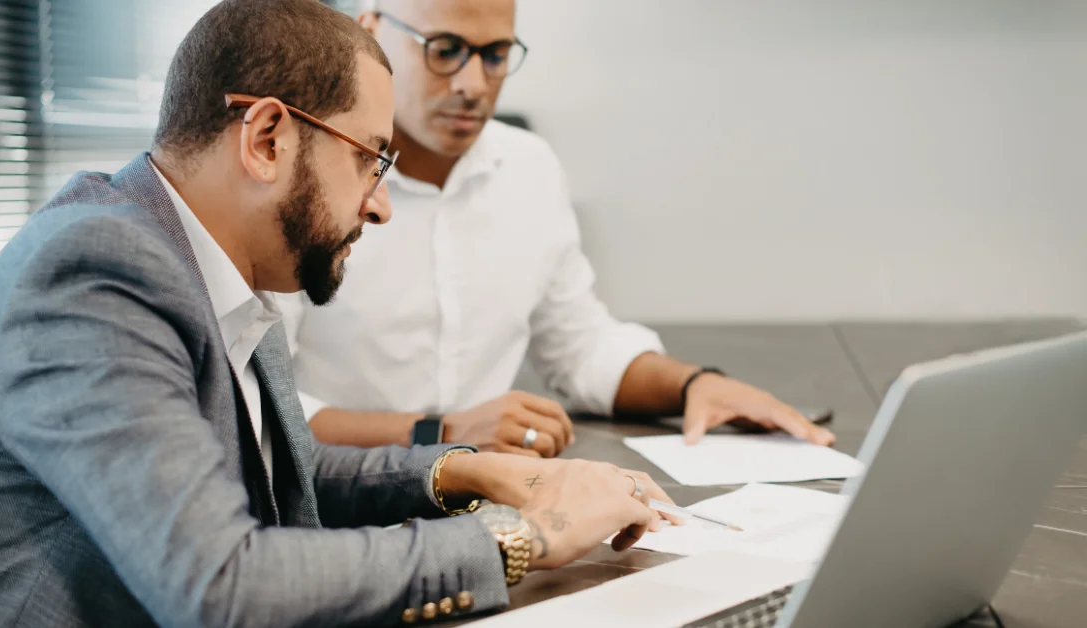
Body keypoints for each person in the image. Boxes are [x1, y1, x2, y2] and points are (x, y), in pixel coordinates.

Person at [0, 2, 677, 626]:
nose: (380, 205)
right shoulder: (94, 273)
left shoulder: (220, 267)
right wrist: (526, 538)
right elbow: (220, 587)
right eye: (370, 158)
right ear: (266, 138)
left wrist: (466, 471)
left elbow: (276, 468)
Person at [283, 0, 837, 458]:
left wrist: (696, 385)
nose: (473, 84)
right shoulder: (306, 179)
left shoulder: (529, 167)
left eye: (496, 55)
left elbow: (580, 348)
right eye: (444, 50)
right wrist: (441, 433)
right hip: (328, 502)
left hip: (486, 497)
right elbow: (259, 407)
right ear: (370, 31)